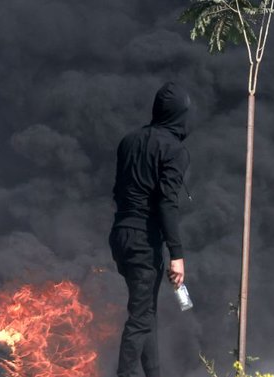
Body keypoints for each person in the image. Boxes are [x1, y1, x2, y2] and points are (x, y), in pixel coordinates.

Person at [109, 81, 191, 377]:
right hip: (144, 241)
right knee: (140, 318)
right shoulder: (174, 150)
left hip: (121, 236)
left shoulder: (128, 141)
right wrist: (177, 254)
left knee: (147, 314)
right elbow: (167, 203)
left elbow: (119, 191)